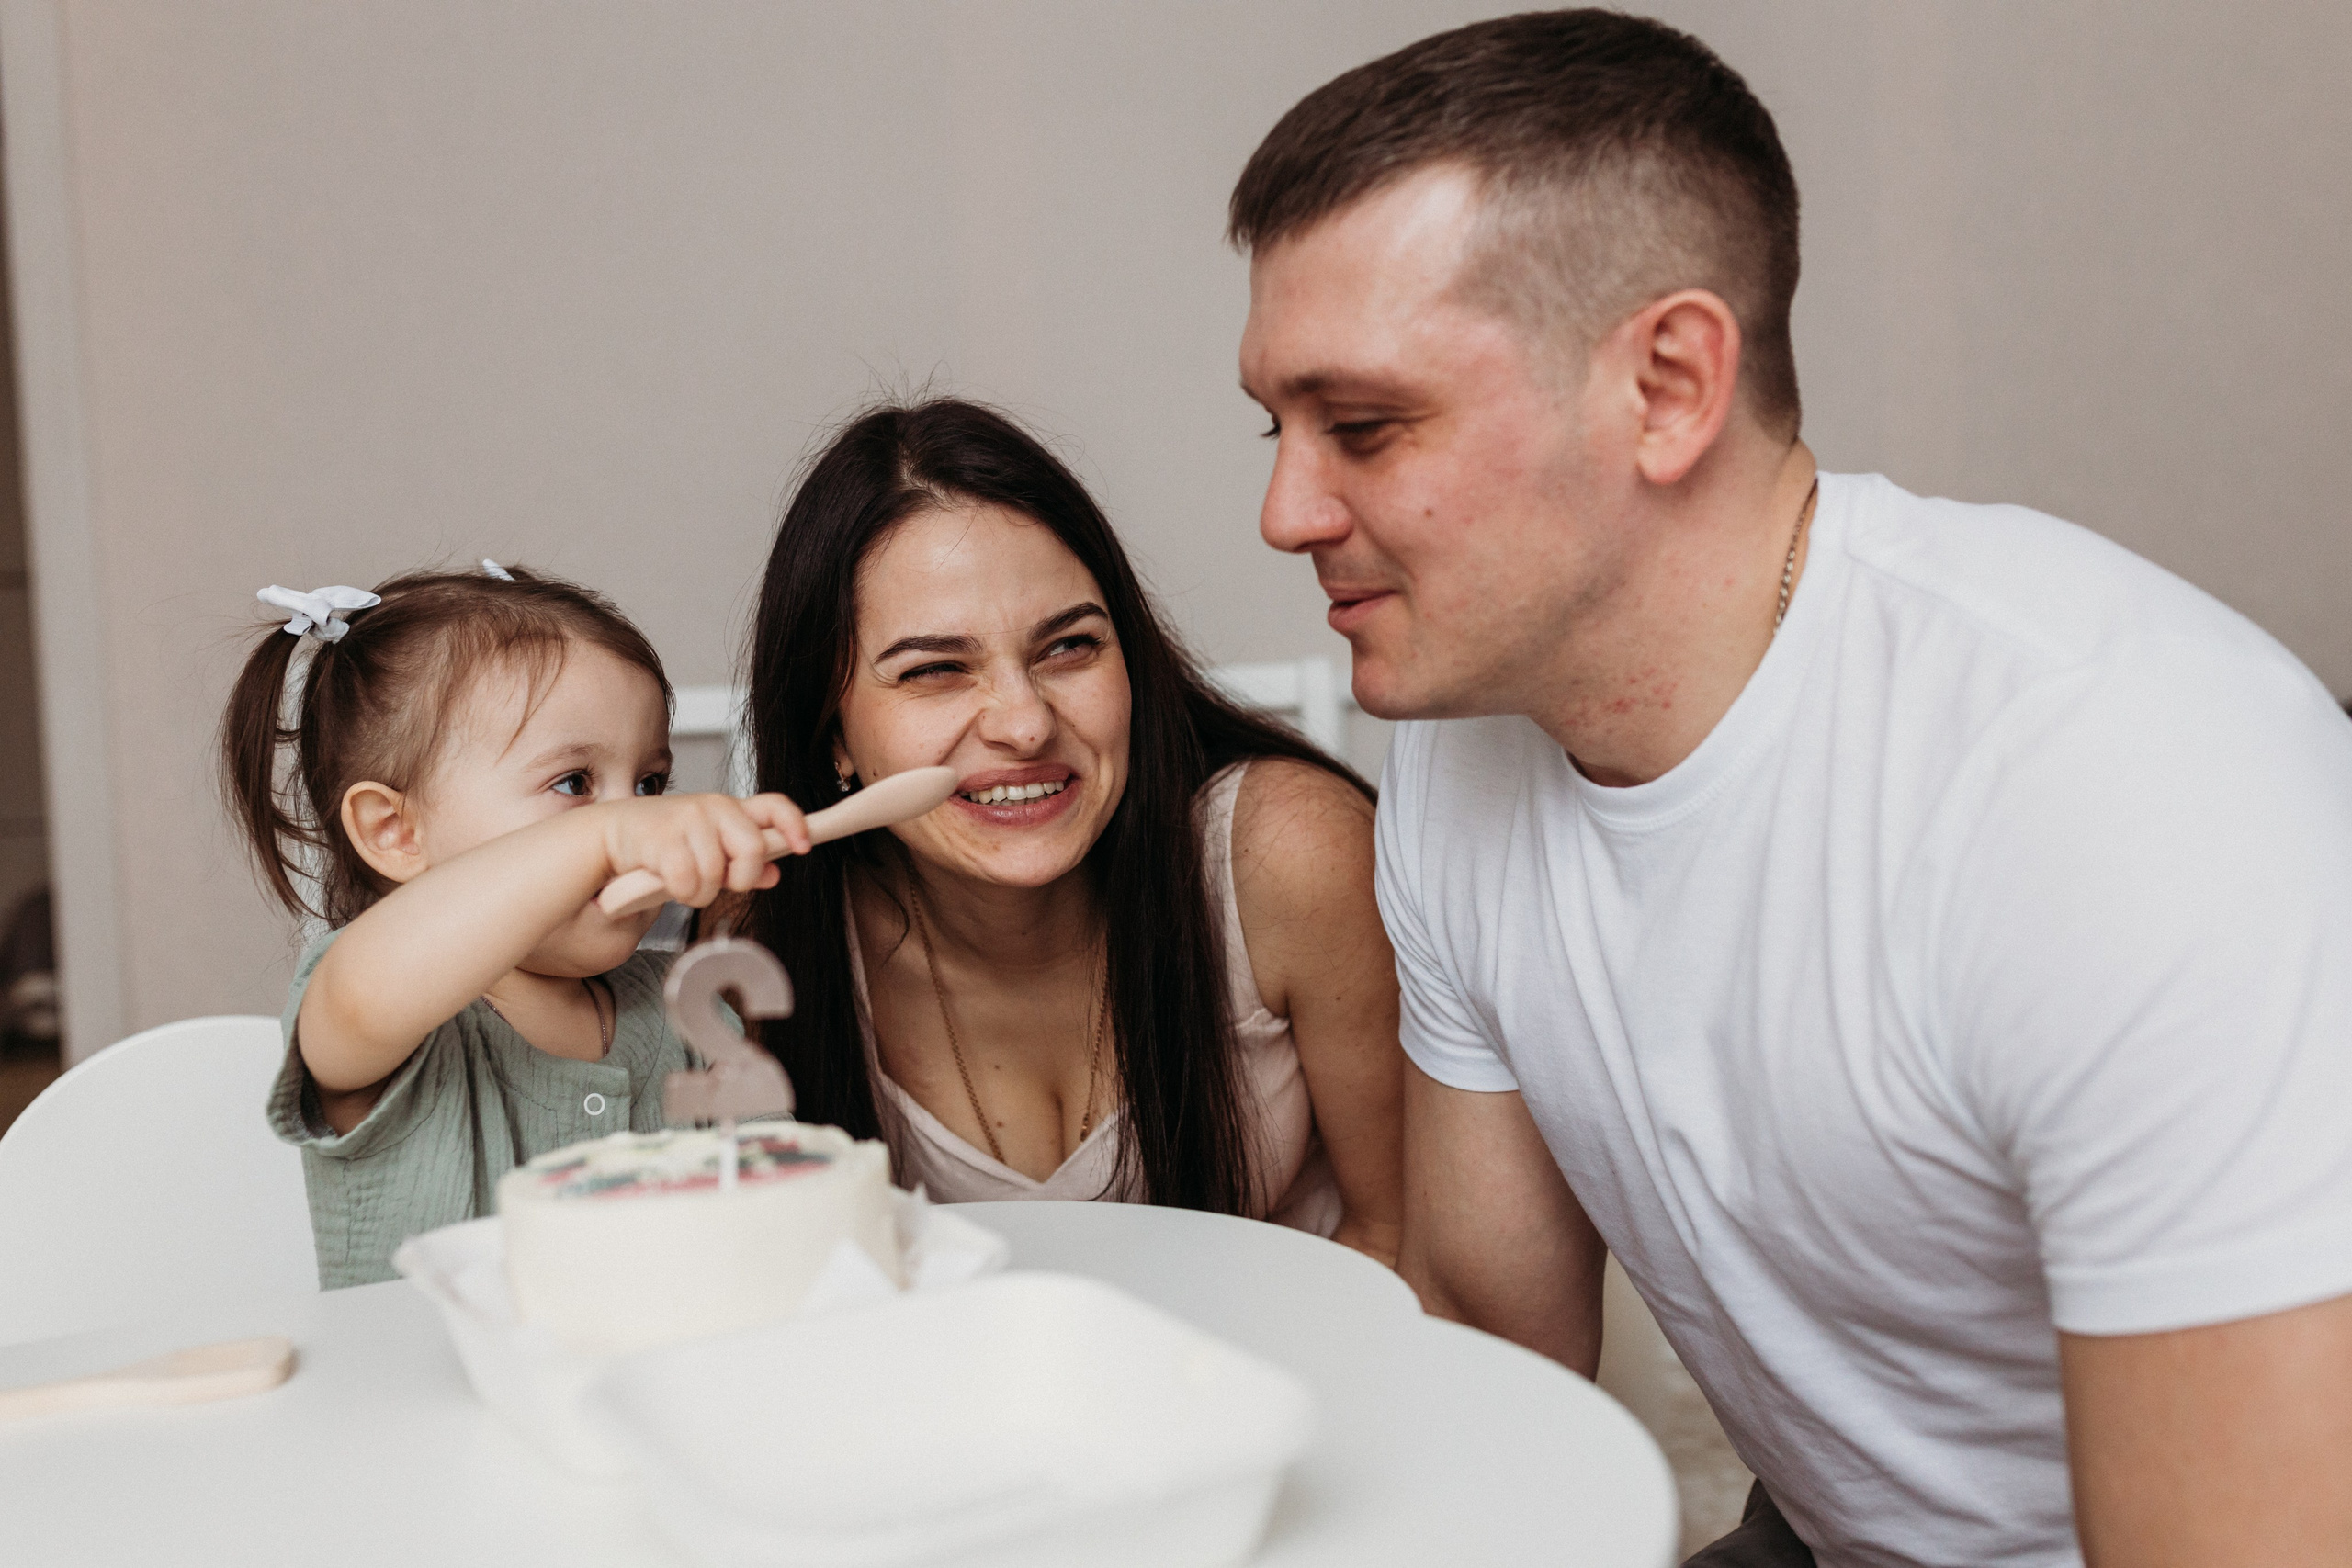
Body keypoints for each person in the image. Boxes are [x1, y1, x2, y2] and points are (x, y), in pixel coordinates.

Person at [1228, 11, 2352, 1567]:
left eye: (1361, 427)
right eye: (1275, 431)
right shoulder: (1457, 741)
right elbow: (1499, 1351)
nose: (1286, 510)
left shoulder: (2117, 783)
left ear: (1670, 384)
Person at [731, 398, 1403, 1261]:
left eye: (1068, 648)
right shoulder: (762, 944)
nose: (1024, 723)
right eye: (935, 670)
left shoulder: (1288, 856)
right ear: (834, 737)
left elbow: (1410, 1247)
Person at [222, 565, 808, 1287]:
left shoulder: (689, 1010)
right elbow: (369, 986)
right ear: (396, 831)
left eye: (651, 783)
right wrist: (607, 837)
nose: (637, 816)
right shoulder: (375, 1004)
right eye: (574, 783)